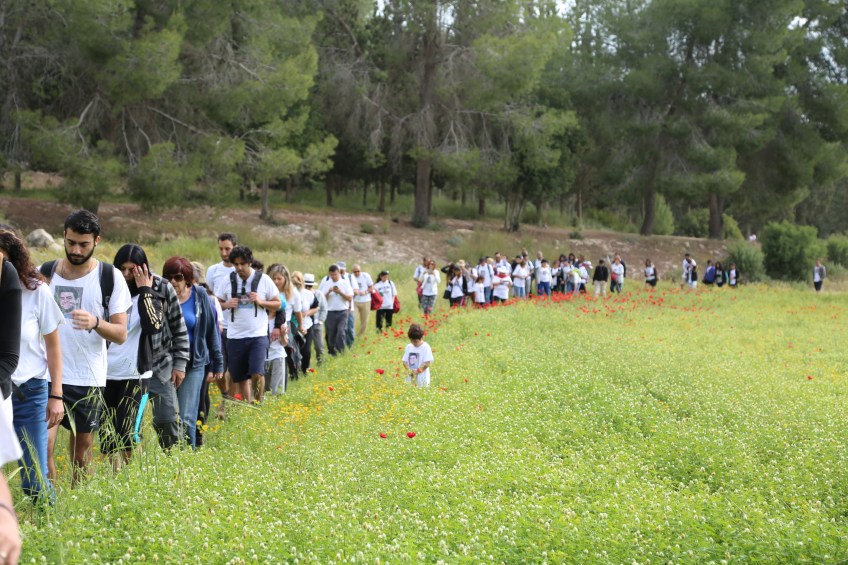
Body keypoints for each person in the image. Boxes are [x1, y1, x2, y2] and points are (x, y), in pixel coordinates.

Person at [44, 211, 131, 485]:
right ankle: (48, 503)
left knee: (81, 455)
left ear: (97, 241)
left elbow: (121, 334)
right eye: (71, 243)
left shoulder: (110, 277)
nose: (76, 250)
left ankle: (77, 499)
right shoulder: (45, 274)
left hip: (88, 377)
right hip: (46, 375)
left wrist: (95, 322)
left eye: (83, 244)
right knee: (43, 447)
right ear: (64, 237)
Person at [0, 231, 64, 503]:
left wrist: (56, 394)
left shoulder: (37, 292)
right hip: (0, 392)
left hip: (29, 391)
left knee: (34, 477)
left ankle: (49, 521)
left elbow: (53, 347)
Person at [102, 245, 164, 471]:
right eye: (123, 269)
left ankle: (130, 477)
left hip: (135, 375)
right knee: (107, 434)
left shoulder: (151, 297)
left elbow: (154, 326)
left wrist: (145, 289)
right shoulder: (106, 295)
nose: (127, 275)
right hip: (104, 373)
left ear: (144, 270)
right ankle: (114, 477)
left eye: (133, 270)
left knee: (128, 432)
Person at [162, 257, 223, 446]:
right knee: (167, 416)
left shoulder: (199, 295)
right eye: (169, 277)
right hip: (166, 363)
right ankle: (170, 453)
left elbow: (211, 329)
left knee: (187, 415)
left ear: (187, 278)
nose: (173, 281)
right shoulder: (160, 297)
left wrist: (217, 361)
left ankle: (188, 454)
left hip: (194, 362)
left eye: (178, 277)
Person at [214, 246, 279, 403]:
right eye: (236, 264)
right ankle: (247, 406)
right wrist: (226, 304)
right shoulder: (227, 280)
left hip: (258, 335)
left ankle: (258, 403)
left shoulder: (264, 280)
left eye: (242, 264)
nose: (239, 268)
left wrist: (261, 301)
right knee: (239, 377)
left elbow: (278, 304)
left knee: (257, 372)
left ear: (249, 262)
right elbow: (216, 303)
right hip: (235, 336)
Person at [205, 233, 237, 402]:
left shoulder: (240, 270)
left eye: (227, 249)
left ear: (235, 248)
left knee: (235, 368)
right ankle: (226, 394)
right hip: (220, 325)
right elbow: (212, 298)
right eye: (221, 249)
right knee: (219, 368)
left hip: (238, 327)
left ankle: (230, 401)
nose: (224, 253)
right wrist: (225, 305)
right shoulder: (213, 270)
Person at [318, 264, 353, 356]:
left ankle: (341, 352)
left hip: (343, 311)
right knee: (331, 333)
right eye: (332, 275)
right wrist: (328, 292)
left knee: (341, 331)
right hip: (330, 311)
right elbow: (322, 299)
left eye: (335, 274)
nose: (333, 277)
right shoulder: (327, 283)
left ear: (339, 273)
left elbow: (350, 298)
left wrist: (340, 292)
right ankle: (332, 352)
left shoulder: (345, 282)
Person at [303, 274, 327, 367]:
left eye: (310, 286)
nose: (308, 288)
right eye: (306, 286)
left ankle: (321, 364)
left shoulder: (318, 294)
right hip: (305, 324)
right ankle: (305, 366)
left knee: (319, 346)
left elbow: (324, 308)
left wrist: (321, 320)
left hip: (317, 323)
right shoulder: (301, 294)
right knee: (305, 347)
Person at [335, 261, 359, 348]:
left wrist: (346, 292)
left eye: (342, 270)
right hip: (336, 307)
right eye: (339, 270)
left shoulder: (350, 277)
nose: (341, 272)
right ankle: (339, 346)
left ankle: (350, 346)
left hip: (349, 307)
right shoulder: (333, 278)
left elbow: (356, 291)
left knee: (349, 328)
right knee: (338, 329)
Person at [402, 323, 433, 388]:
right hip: (410, 377)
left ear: (422, 337)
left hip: (422, 378)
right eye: (411, 341)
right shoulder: (409, 347)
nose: (413, 343)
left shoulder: (425, 347)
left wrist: (416, 372)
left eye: (415, 341)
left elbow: (427, 362)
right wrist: (409, 370)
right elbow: (404, 361)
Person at [351, 265, 374, 338]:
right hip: (355, 301)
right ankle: (352, 335)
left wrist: (366, 292)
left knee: (364, 320)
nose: (357, 273)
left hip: (366, 300)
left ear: (360, 270)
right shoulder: (351, 277)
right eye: (355, 272)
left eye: (358, 271)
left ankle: (361, 335)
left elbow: (371, 287)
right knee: (353, 319)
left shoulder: (365, 276)